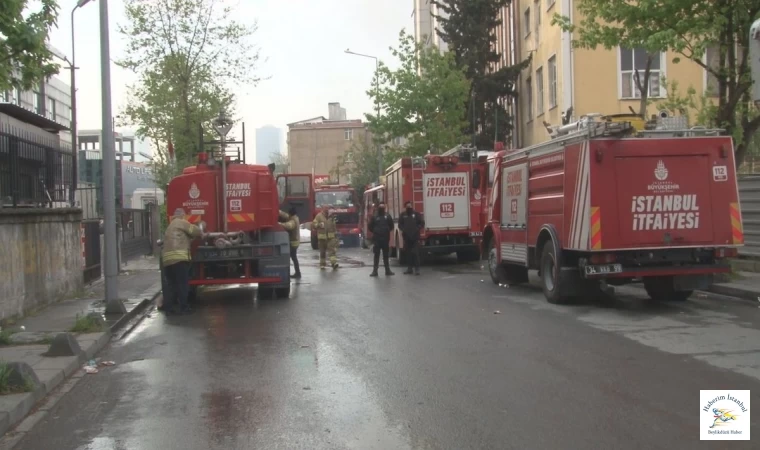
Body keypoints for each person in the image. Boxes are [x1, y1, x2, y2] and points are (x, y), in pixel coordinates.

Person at [161, 208, 203, 314]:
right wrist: (201, 228)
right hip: (179, 259)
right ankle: (184, 308)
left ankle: (169, 310)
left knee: (171, 286)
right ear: (182, 215)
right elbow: (195, 231)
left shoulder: (169, 227)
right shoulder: (181, 222)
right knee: (182, 284)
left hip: (167, 261)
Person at [368, 202, 395, 277]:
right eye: (381, 207)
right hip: (377, 239)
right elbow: (370, 226)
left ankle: (387, 270)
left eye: (383, 207)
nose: (382, 209)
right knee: (376, 255)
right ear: (378, 208)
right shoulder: (375, 217)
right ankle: (375, 271)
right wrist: (376, 231)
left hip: (385, 239)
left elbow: (391, 226)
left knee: (385, 255)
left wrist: (386, 230)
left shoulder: (387, 216)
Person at [398, 201, 424, 275]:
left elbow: (421, 223)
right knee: (408, 253)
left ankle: (417, 269)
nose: (409, 207)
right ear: (405, 207)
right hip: (407, 237)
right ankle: (409, 268)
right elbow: (400, 224)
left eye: (410, 206)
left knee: (415, 253)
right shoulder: (403, 215)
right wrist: (404, 229)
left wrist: (417, 228)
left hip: (415, 237)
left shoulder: (416, 214)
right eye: (407, 206)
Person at [279, 207, 302, 279]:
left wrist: (279, 224)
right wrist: (278, 211)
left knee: (292, 258)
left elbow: (289, 226)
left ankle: (296, 273)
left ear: (291, 214)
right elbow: (285, 215)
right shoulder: (294, 217)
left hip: (293, 242)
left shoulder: (293, 220)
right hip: (294, 241)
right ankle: (297, 272)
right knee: (294, 258)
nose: (288, 215)